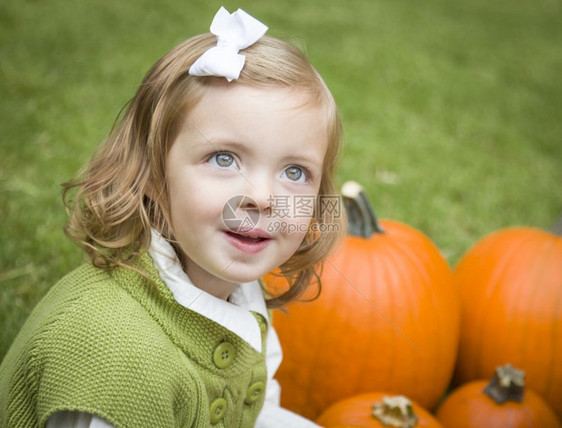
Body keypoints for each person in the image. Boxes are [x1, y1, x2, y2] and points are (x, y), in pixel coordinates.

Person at [0, 6, 345, 427]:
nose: (263, 198)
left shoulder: (239, 292)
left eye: (295, 172)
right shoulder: (115, 356)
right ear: (152, 173)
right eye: (223, 158)